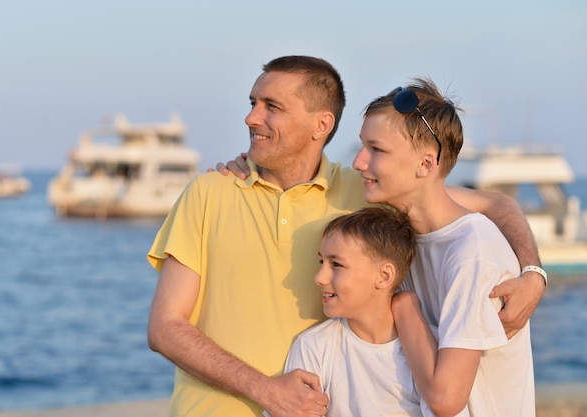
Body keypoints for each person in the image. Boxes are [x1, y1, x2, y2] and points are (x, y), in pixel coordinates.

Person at [147, 55, 544, 417]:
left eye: (272, 107)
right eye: (253, 103)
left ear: (321, 124)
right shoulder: (209, 192)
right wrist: (267, 391)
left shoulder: (368, 191)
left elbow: (495, 205)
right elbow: (165, 327)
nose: (251, 118)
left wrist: (532, 273)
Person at [352, 79, 535, 416]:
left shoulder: (471, 251)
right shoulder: (405, 224)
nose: (358, 163)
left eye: (376, 149)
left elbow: (445, 399)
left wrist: (404, 306)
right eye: (363, 146)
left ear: (425, 164)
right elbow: (498, 202)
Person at [281, 206, 456, 416]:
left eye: (336, 264)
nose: (319, 277)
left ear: (383, 276)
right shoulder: (314, 346)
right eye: (322, 262)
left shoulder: (435, 350)